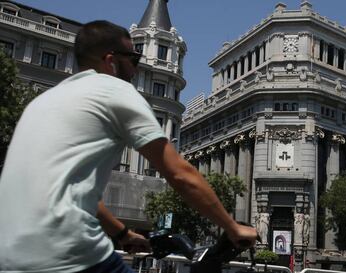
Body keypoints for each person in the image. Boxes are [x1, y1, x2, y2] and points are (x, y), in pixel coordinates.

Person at [0, 20, 257, 272]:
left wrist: (122, 233)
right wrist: (232, 227)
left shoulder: (42, 101)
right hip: (66, 252)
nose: (135, 70)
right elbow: (180, 173)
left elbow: (73, 190)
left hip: (10, 255)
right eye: (133, 60)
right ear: (111, 61)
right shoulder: (114, 89)